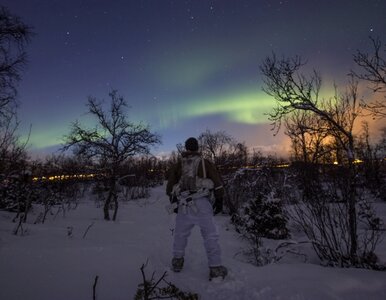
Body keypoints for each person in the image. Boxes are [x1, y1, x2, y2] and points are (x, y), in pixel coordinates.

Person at [166, 137, 228, 280]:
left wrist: (173, 199)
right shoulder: (204, 163)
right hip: (201, 203)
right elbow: (217, 182)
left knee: (180, 235)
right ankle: (215, 268)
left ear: (186, 148)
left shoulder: (178, 165)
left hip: (183, 205)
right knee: (210, 235)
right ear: (197, 147)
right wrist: (219, 199)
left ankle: (177, 262)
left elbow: (170, 186)